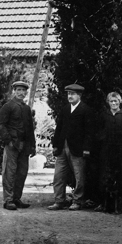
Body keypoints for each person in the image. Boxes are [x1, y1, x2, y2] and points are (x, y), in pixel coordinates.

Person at [48, 83, 97, 211]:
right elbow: (59, 129)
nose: (70, 96)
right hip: (62, 147)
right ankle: (59, 201)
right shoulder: (65, 109)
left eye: (73, 94)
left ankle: (77, 201)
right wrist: (55, 145)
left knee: (79, 176)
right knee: (58, 176)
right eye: (68, 94)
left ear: (79, 95)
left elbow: (89, 132)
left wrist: (86, 148)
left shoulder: (85, 110)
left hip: (78, 149)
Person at [0, 81, 36, 211]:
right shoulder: (8, 106)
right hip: (13, 145)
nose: (21, 93)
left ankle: (16, 198)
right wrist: (9, 141)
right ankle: (8, 200)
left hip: (24, 146)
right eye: (18, 90)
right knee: (10, 172)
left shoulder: (26, 108)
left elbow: (30, 129)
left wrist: (33, 146)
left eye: (23, 91)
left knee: (22, 173)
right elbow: (1, 125)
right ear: (14, 91)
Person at [95, 92, 122, 214]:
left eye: (115, 101)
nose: (113, 103)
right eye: (111, 101)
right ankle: (103, 204)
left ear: (119, 102)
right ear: (108, 102)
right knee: (104, 177)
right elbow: (98, 131)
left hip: (120, 152)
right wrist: (102, 139)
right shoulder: (104, 115)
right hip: (106, 151)